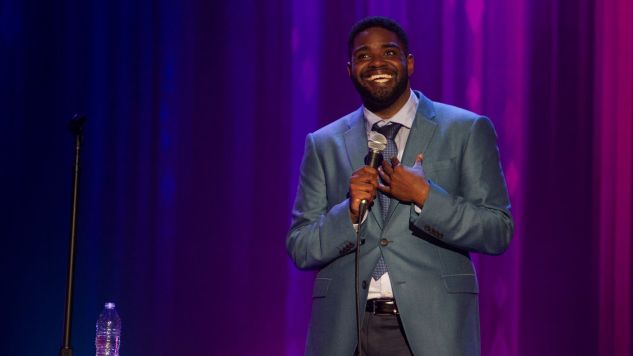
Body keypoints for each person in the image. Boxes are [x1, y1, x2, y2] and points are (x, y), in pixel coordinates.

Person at [286, 16, 513, 356]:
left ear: (408, 63)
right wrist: (347, 215)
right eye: (363, 56)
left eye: (389, 52)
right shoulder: (324, 144)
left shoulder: (466, 130)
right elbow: (301, 246)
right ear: (349, 70)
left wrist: (426, 197)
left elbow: (497, 230)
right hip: (346, 331)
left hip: (435, 329)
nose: (377, 62)